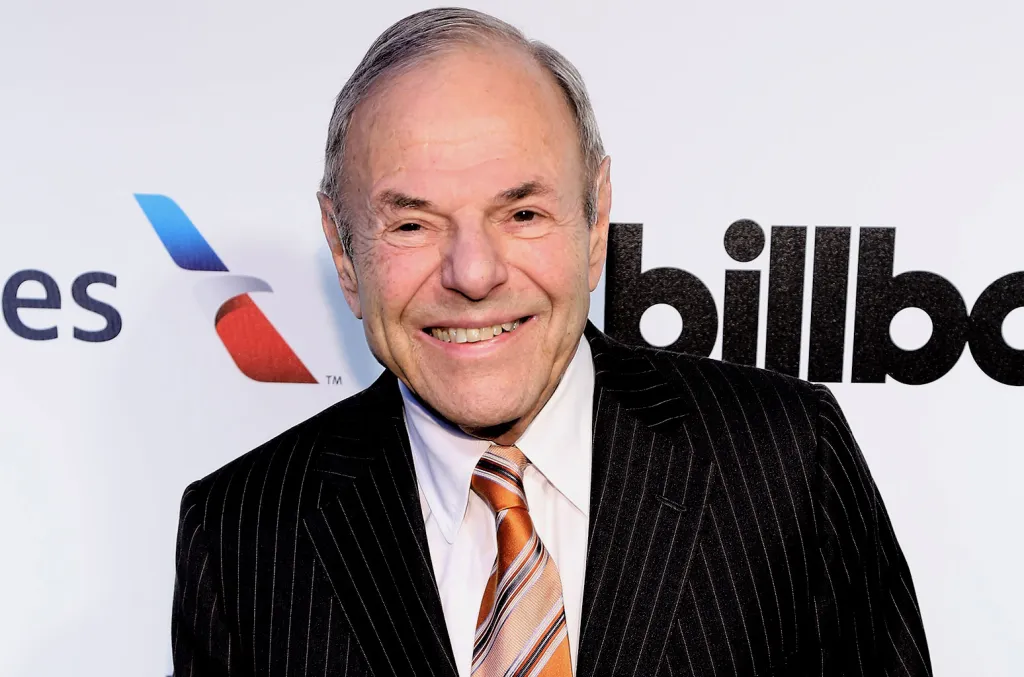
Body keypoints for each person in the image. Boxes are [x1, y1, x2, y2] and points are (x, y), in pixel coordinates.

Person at [170, 7, 931, 676]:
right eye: (412, 224)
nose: (473, 273)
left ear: (595, 221)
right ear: (344, 253)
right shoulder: (241, 533)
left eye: (523, 214)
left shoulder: (785, 461)